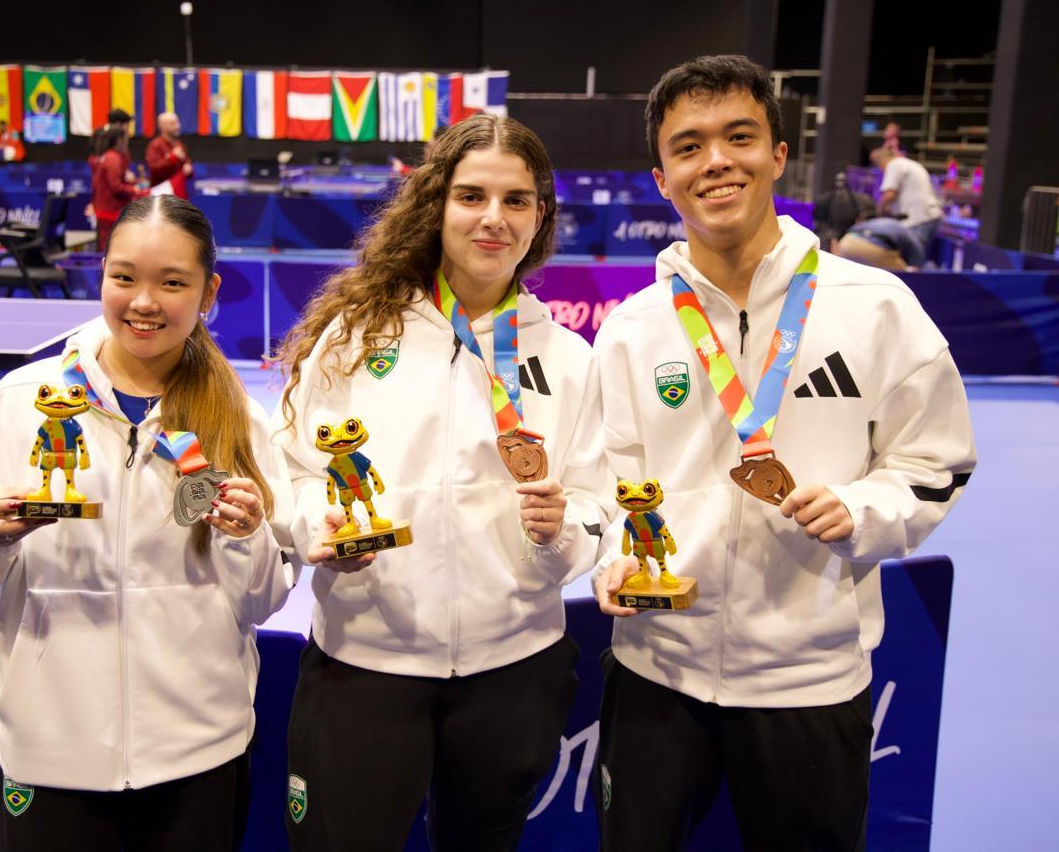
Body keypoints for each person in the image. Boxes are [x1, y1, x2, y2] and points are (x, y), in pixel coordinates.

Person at [592, 55, 976, 852]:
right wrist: (611, 558)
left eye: (740, 136)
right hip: (656, 672)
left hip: (812, 679)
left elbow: (936, 464)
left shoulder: (874, 306)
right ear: (662, 177)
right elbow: (607, 485)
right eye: (689, 146)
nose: (717, 161)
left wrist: (862, 509)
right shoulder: (632, 327)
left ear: (776, 154)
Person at [274, 113, 611, 851]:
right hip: (367, 660)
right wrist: (317, 529)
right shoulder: (358, 336)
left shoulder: (570, 357)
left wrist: (563, 535)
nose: (494, 218)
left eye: (516, 200)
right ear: (437, 205)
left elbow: (597, 501)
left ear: (540, 217)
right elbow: (295, 468)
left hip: (513, 666)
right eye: (472, 196)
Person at [0, 195, 296, 852]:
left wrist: (248, 536)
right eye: (124, 277)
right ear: (102, 275)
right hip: (51, 751)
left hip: (198, 751)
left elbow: (266, 597)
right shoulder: (23, 400)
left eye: (171, 283)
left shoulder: (239, 417)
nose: (143, 301)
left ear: (209, 291)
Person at [871, 145, 943, 257]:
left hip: (918, 219)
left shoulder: (894, 165)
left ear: (882, 161)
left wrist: (878, 210)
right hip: (929, 216)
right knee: (917, 260)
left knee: (911, 262)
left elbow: (890, 194)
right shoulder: (909, 164)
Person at [91, 126, 141, 252]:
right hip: (110, 214)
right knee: (109, 251)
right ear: (119, 140)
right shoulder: (113, 158)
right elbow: (116, 187)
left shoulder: (110, 156)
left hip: (108, 212)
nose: (127, 141)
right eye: (126, 138)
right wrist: (134, 190)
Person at [147, 112, 193, 199]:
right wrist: (172, 158)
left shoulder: (179, 145)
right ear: (163, 127)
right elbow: (154, 169)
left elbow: (187, 162)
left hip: (178, 196)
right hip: (161, 196)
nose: (177, 126)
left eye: (178, 123)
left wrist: (188, 167)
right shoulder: (155, 145)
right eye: (173, 124)